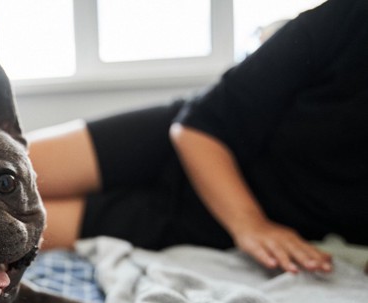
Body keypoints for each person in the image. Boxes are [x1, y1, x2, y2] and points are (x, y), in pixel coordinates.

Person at [27, 0, 368, 274]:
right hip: (186, 141)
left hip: (204, 221)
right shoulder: (349, 17)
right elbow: (201, 123)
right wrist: (251, 223)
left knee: (3, 226)